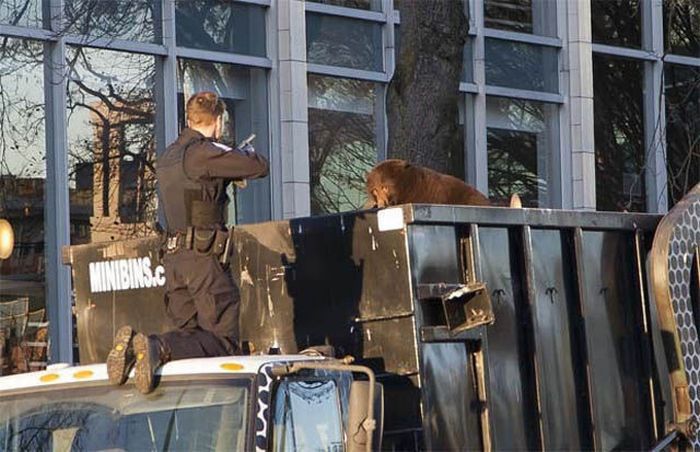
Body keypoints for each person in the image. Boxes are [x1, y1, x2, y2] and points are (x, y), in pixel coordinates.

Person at [106, 91, 269, 394]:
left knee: (192, 341)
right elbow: (259, 165)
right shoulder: (205, 152)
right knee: (223, 342)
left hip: (173, 262)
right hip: (203, 261)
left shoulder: (169, 155)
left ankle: (138, 348)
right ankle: (155, 344)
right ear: (218, 121)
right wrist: (234, 154)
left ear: (189, 118)